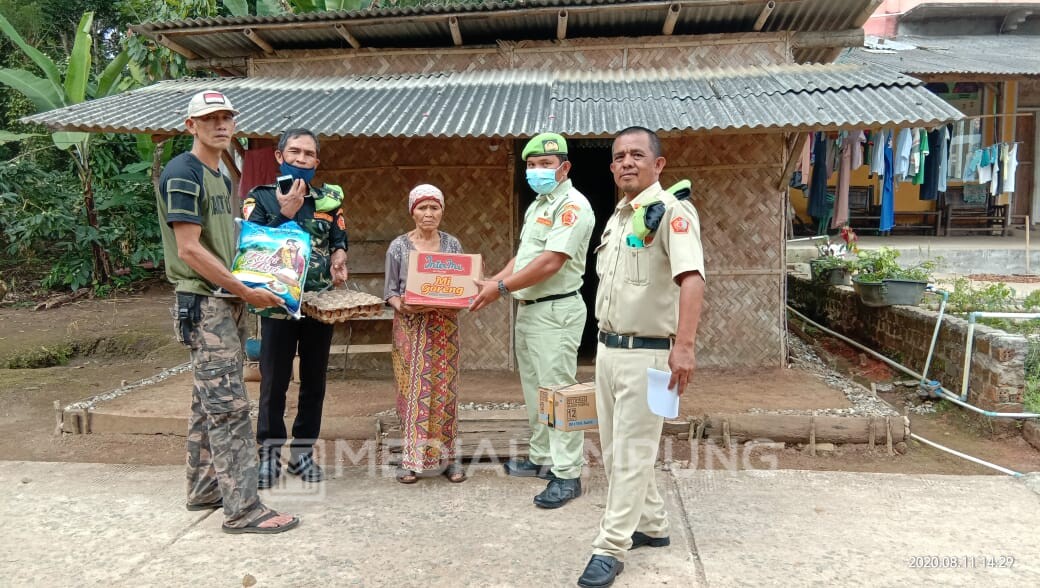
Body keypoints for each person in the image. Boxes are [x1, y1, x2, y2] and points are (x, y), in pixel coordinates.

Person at [156, 90, 299, 534]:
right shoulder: (184, 172)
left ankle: (204, 489)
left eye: (226, 117)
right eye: (209, 118)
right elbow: (189, 249)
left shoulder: (221, 174)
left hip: (225, 301)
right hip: (205, 301)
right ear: (191, 125)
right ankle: (243, 509)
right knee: (231, 407)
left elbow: (232, 240)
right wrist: (245, 290)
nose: (220, 124)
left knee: (208, 400)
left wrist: (264, 270)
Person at [577, 126, 705, 587]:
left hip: (649, 356)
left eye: (637, 154)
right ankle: (653, 524)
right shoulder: (618, 218)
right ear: (611, 167)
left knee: (629, 454)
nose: (626, 162)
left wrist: (684, 347)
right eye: (619, 156)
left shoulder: (672, 212)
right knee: (618, 453)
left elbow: (692, 279)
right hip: (609, 352)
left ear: (659, 164)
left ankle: (610, 547)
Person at [470, 132, 594, 509]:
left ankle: (568, 473)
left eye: (546, 164)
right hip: (531, 309)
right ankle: (542, 458)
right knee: (535, 391)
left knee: (560, 393)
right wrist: (493, 282)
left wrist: (501, 289)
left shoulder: (572, 205)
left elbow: (551, 261)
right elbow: (524, 257)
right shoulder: (539, 205)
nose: (538, 170)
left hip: (557, 309)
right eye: (532, 164)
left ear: (564, 167)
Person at [243, 128, 349, 489]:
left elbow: (338, 236)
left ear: (317, 161)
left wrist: (339, 255)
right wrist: (283, 214)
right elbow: (250, 247)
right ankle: (268, 457)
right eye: (294, 152)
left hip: (319, 304)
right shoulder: (260, 199)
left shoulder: (328, 200)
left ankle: (302, 454)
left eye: (308, 154)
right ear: (279, 157)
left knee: (315, 380)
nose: (301, 159)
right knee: (274, 382)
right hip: (276, 305)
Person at [384, 184, 467, 484]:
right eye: (423, 207)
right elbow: (390, 292)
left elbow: (461, 285)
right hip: (410, 328)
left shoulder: (452, 245)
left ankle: (449, 460)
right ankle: (411, 461)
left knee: (445, 392)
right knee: (412, 391)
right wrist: (404, 306)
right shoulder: (399, 247)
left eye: (435, 207)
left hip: (444, 328)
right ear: (412, 211)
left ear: (442, 211)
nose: (429, 213)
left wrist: (455, 298)